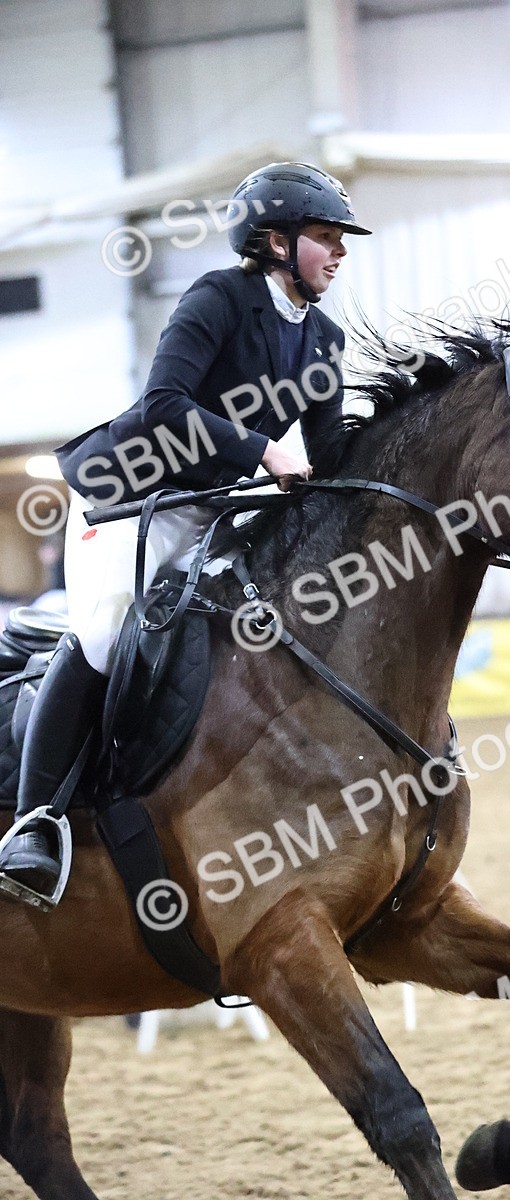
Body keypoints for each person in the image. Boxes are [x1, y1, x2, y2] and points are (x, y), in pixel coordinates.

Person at [0, 162, 371, 908]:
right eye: (325, 237)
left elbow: (330, 453)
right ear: (274, 241)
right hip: (128, 495)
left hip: (212, 509)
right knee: (106, 637)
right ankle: (34, 824)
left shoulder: (324, 338)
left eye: (340, 240)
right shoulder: (217, 299)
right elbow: (164, 402)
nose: (338, 252)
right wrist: (264, 450)